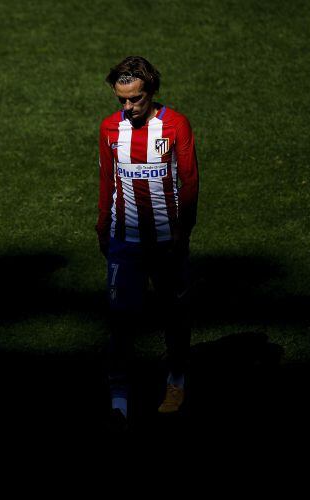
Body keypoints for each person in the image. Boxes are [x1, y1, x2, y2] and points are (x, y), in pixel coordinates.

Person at [96, 56, 199, 425]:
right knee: (121, 320)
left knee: (174, 315)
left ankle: (176, 380)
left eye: (135, 99)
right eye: (121, 100)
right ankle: (119, 398)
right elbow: (107, 182)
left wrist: (182, 231)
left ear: (151, 91)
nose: (128, 107)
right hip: (125, 241)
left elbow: (189, 182)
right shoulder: (110, 129)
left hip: (166, 243)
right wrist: (102, 229)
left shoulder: (176, 126)